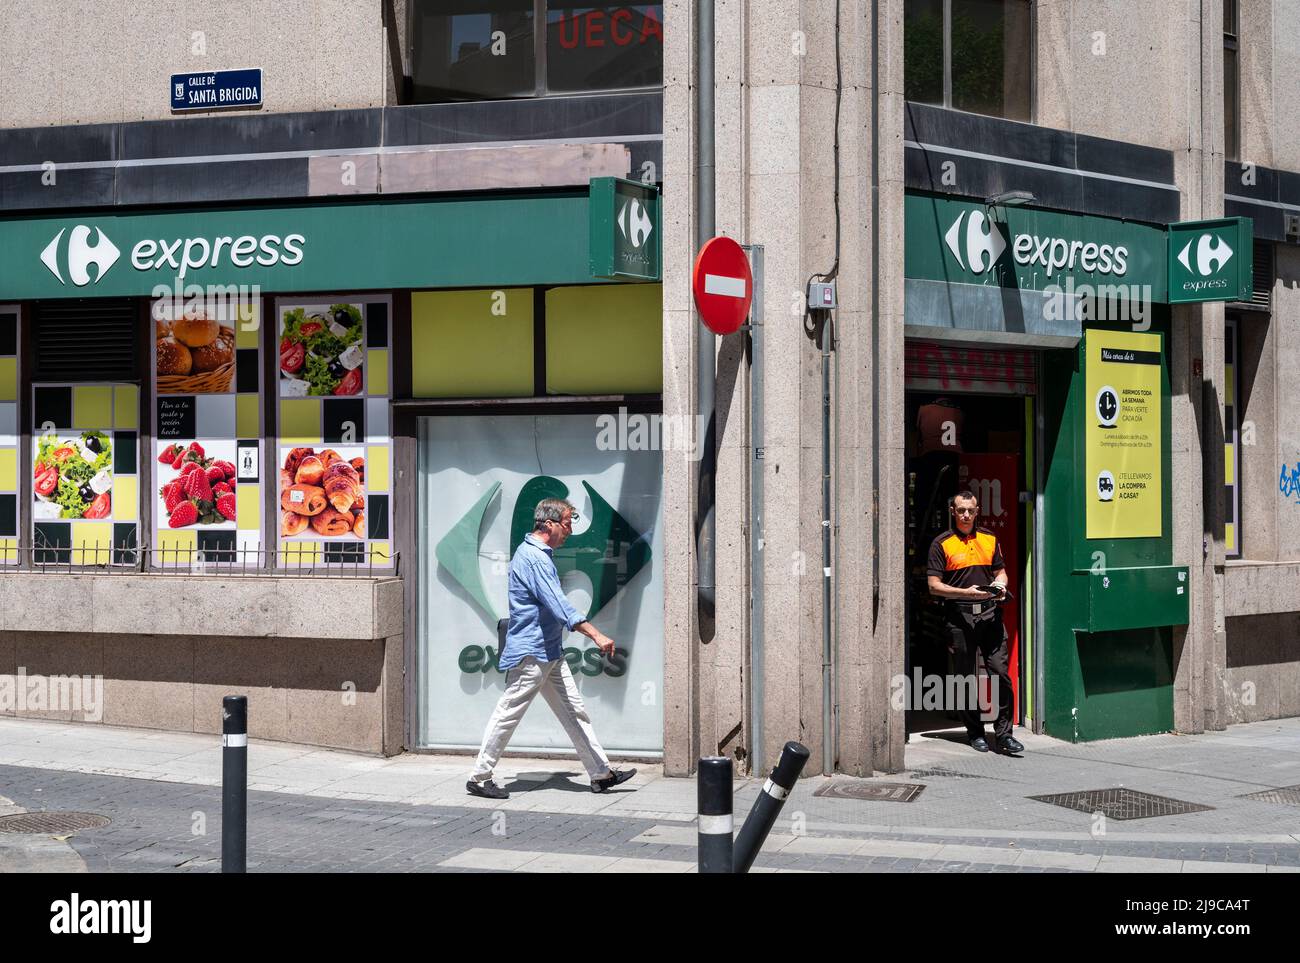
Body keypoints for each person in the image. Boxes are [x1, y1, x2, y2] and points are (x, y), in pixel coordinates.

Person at [467, 497, 637, 799]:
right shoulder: (534, 558)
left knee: (575, 711)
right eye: (568, 523)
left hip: (549, 652)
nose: (570, 530)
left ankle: (601, 774)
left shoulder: (537, 554)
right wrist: (595, 635)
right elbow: (559, 605)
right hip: (532, 652)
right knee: (508, 712)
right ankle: (480, 777)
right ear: (549, 524)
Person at [926, 490, 1024, 755]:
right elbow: (934, 586)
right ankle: (975, 732)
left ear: (977, 510)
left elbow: (1000, 571)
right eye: (961, 510)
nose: (966, 515)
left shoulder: (989, 538)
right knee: (965, 677)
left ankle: (1004, 735)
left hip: (990, 615)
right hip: (959, 617)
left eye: (970, 510)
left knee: (1000, 674)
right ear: (953, 512)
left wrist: (1000, 585)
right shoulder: (941, 543)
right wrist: (965, 593)